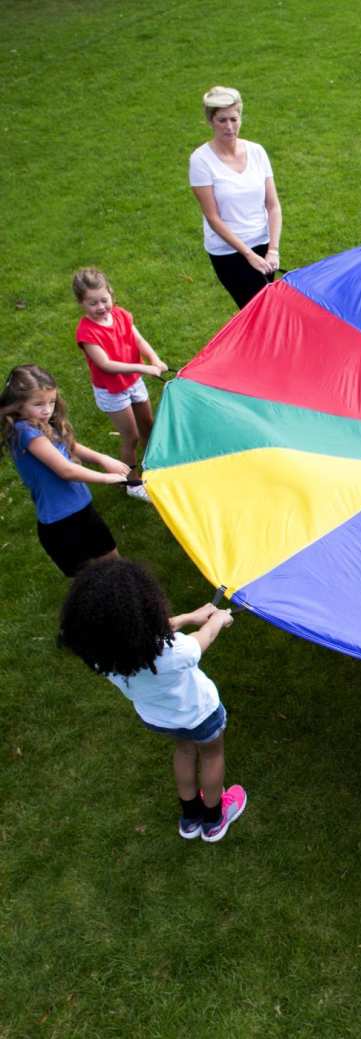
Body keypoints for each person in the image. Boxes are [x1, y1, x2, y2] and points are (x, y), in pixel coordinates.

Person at [58, 558, 246, 841]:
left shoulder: (103, 656)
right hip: (201, 714)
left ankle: (191, 817)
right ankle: (214, 819)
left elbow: (154, 631)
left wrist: (188, 617)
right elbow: (201, 640)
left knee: (184, 751)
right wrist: (217, 620)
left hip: (160, 719)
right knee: (211, 755)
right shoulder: (173, 652)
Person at [1, 364, 127, 576]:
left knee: (116, 566)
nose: (47, 409)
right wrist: (107, 478)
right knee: (89, 582)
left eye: (51, 401)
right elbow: (65, 470)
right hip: (61, 524)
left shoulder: (42, 421)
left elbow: (69, 445)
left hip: (83, 509)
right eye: (38, 404)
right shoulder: (24, 431)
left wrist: (102, 458)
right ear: (18, 405)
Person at [72, 267, 166, 499]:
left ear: (111, 294)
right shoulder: (87, 333)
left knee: (148, 426)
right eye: (92, 303)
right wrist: (143, 367)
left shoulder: (122, 315)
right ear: (81, 303)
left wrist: (154, 358)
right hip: (112, 391)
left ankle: (154, 465)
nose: (101, 307)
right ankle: (132, 483)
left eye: (104, 300)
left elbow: (139, 340)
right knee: (131, 436)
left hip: (134, 382)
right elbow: (106, 365)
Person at [189, 85, 283, 309]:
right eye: (222, 120)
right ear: (211, 121)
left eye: (234, 118)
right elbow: (213, 218)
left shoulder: (257, 151)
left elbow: (273, 206)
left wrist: (273, 249)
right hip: (229, 252)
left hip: (262, 243)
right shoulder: (201, 161)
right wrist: (248, 255)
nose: (229, 127)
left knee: (268, 309)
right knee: (257, 311)